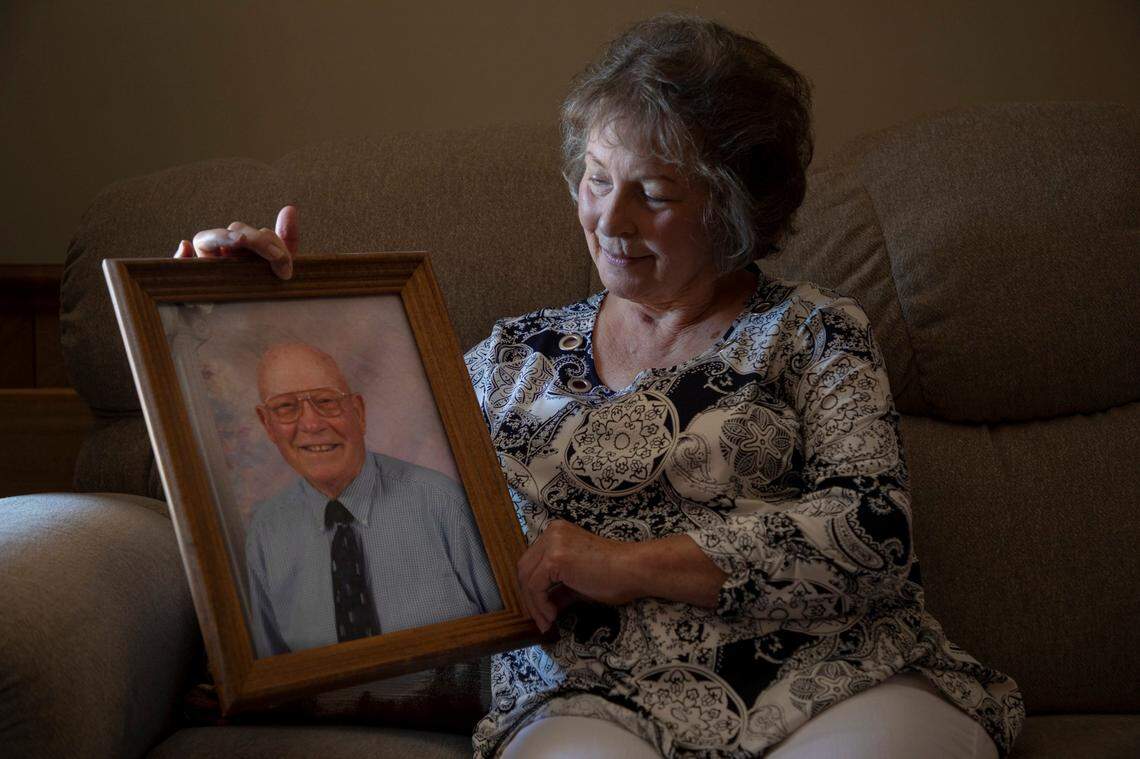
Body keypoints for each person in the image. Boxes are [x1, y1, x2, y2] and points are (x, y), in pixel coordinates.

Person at [179, 13, 1024, 757]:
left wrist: (632, 563)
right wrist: (235, 308)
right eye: (595, 177)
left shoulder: (812, 333)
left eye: (652, 194)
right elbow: (346, 447)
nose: (608, 221)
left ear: (733, 210)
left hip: (832, 678)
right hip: (583, 697)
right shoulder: (510, 356)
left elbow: (872, 531)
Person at [245, 341, 502, 658]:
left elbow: (512, 638)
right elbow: (271, 674)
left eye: (326, 402)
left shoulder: (443, 502)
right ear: (267, 424)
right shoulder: (264, 533)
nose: (311, 424)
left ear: (359, 411)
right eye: (285, 407)